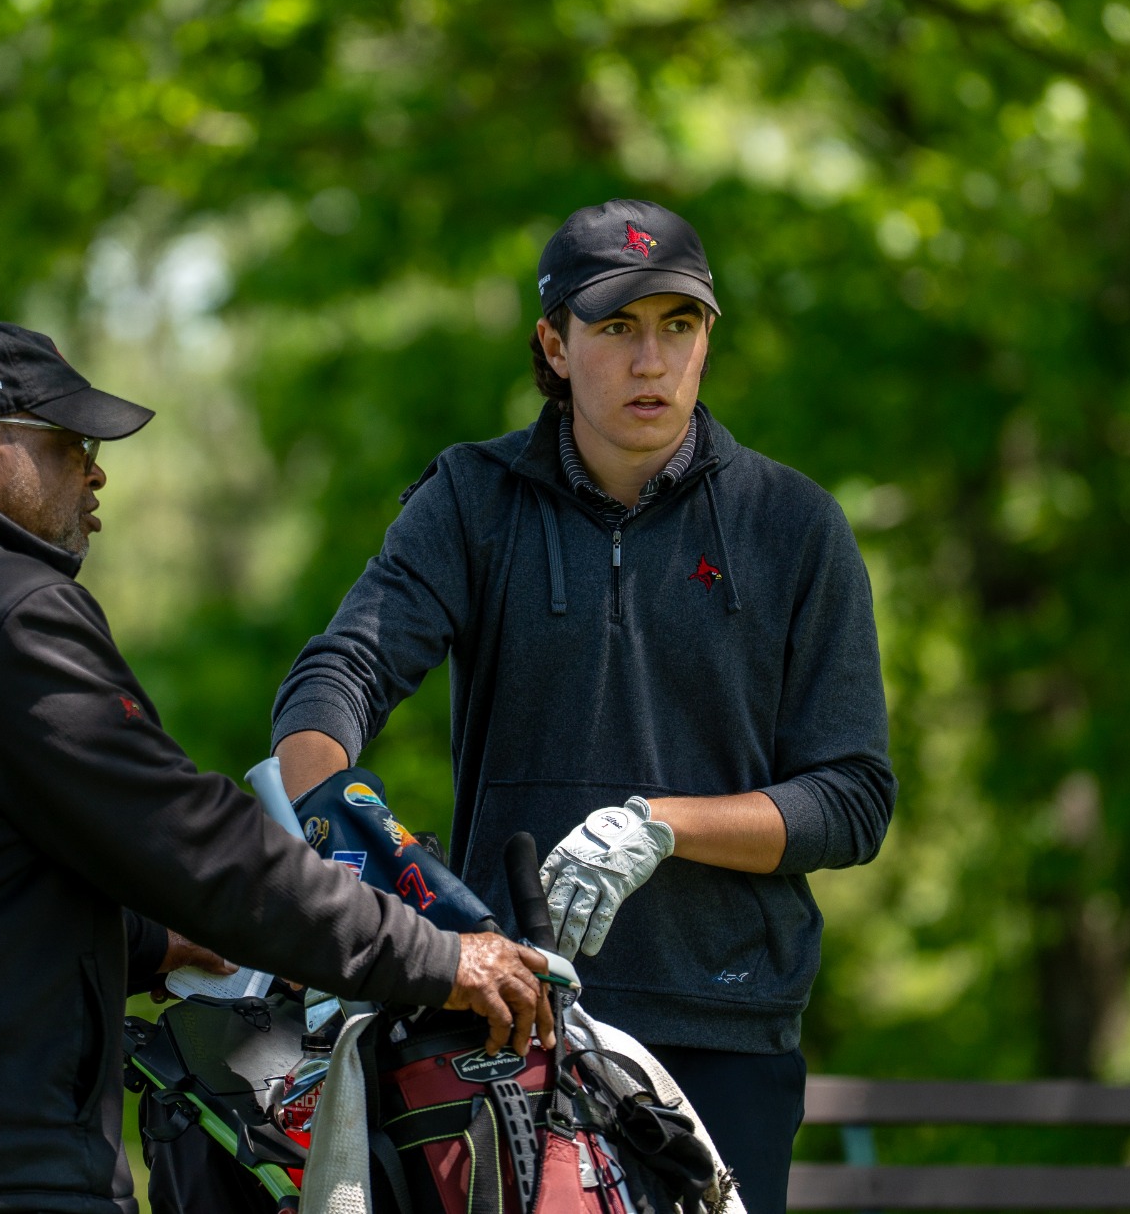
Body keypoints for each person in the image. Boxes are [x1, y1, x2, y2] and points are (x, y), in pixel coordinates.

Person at [0, 319, 552, 1214]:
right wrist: (436, 955)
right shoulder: (9, 611)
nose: (96, 473)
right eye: (72, 445)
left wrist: (156, 945)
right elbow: (202, 847)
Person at [272, 201, 896, 1212]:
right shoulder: (472, 501)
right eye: (616, 327)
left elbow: (852, 798)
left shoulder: (792, 525)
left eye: (678, 325)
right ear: (554, 345)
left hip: (723, 1030)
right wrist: (336, 822)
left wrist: (660, 826)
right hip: (509, 1017)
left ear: (706, 340)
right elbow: (336, 677)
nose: (651, 360)